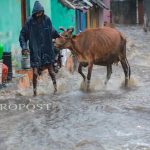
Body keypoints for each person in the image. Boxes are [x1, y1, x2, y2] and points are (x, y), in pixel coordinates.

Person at [19, 1, 60, 96]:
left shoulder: (47, 20)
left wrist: (58, 36)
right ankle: (34, 92)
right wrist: (24, 47)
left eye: (40, 12)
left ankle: (55, 89)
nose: (39, 14)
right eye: (37, 13)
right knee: (35, 73)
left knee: (51, 71)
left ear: (42, 11)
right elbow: (22, 35)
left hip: (47, 50)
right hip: (35, 51)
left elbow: (52, 30)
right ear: (34, 13)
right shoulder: (29, 22)